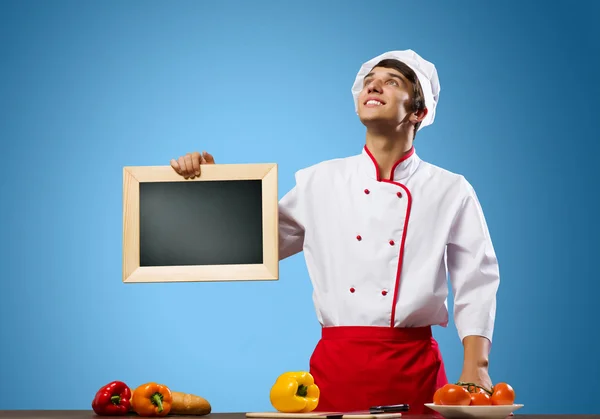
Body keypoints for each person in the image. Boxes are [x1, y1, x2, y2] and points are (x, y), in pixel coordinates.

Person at [170, 50, 500, 414]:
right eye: (370, 80)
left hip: (414, 367)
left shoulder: (450, 189)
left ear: (418, 112)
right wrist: (211, 187)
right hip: (336, 367)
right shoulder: (318, 181)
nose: (373, 84)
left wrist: (476, 367)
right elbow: (255, 244)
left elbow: (476, 280)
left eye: (392, 81)